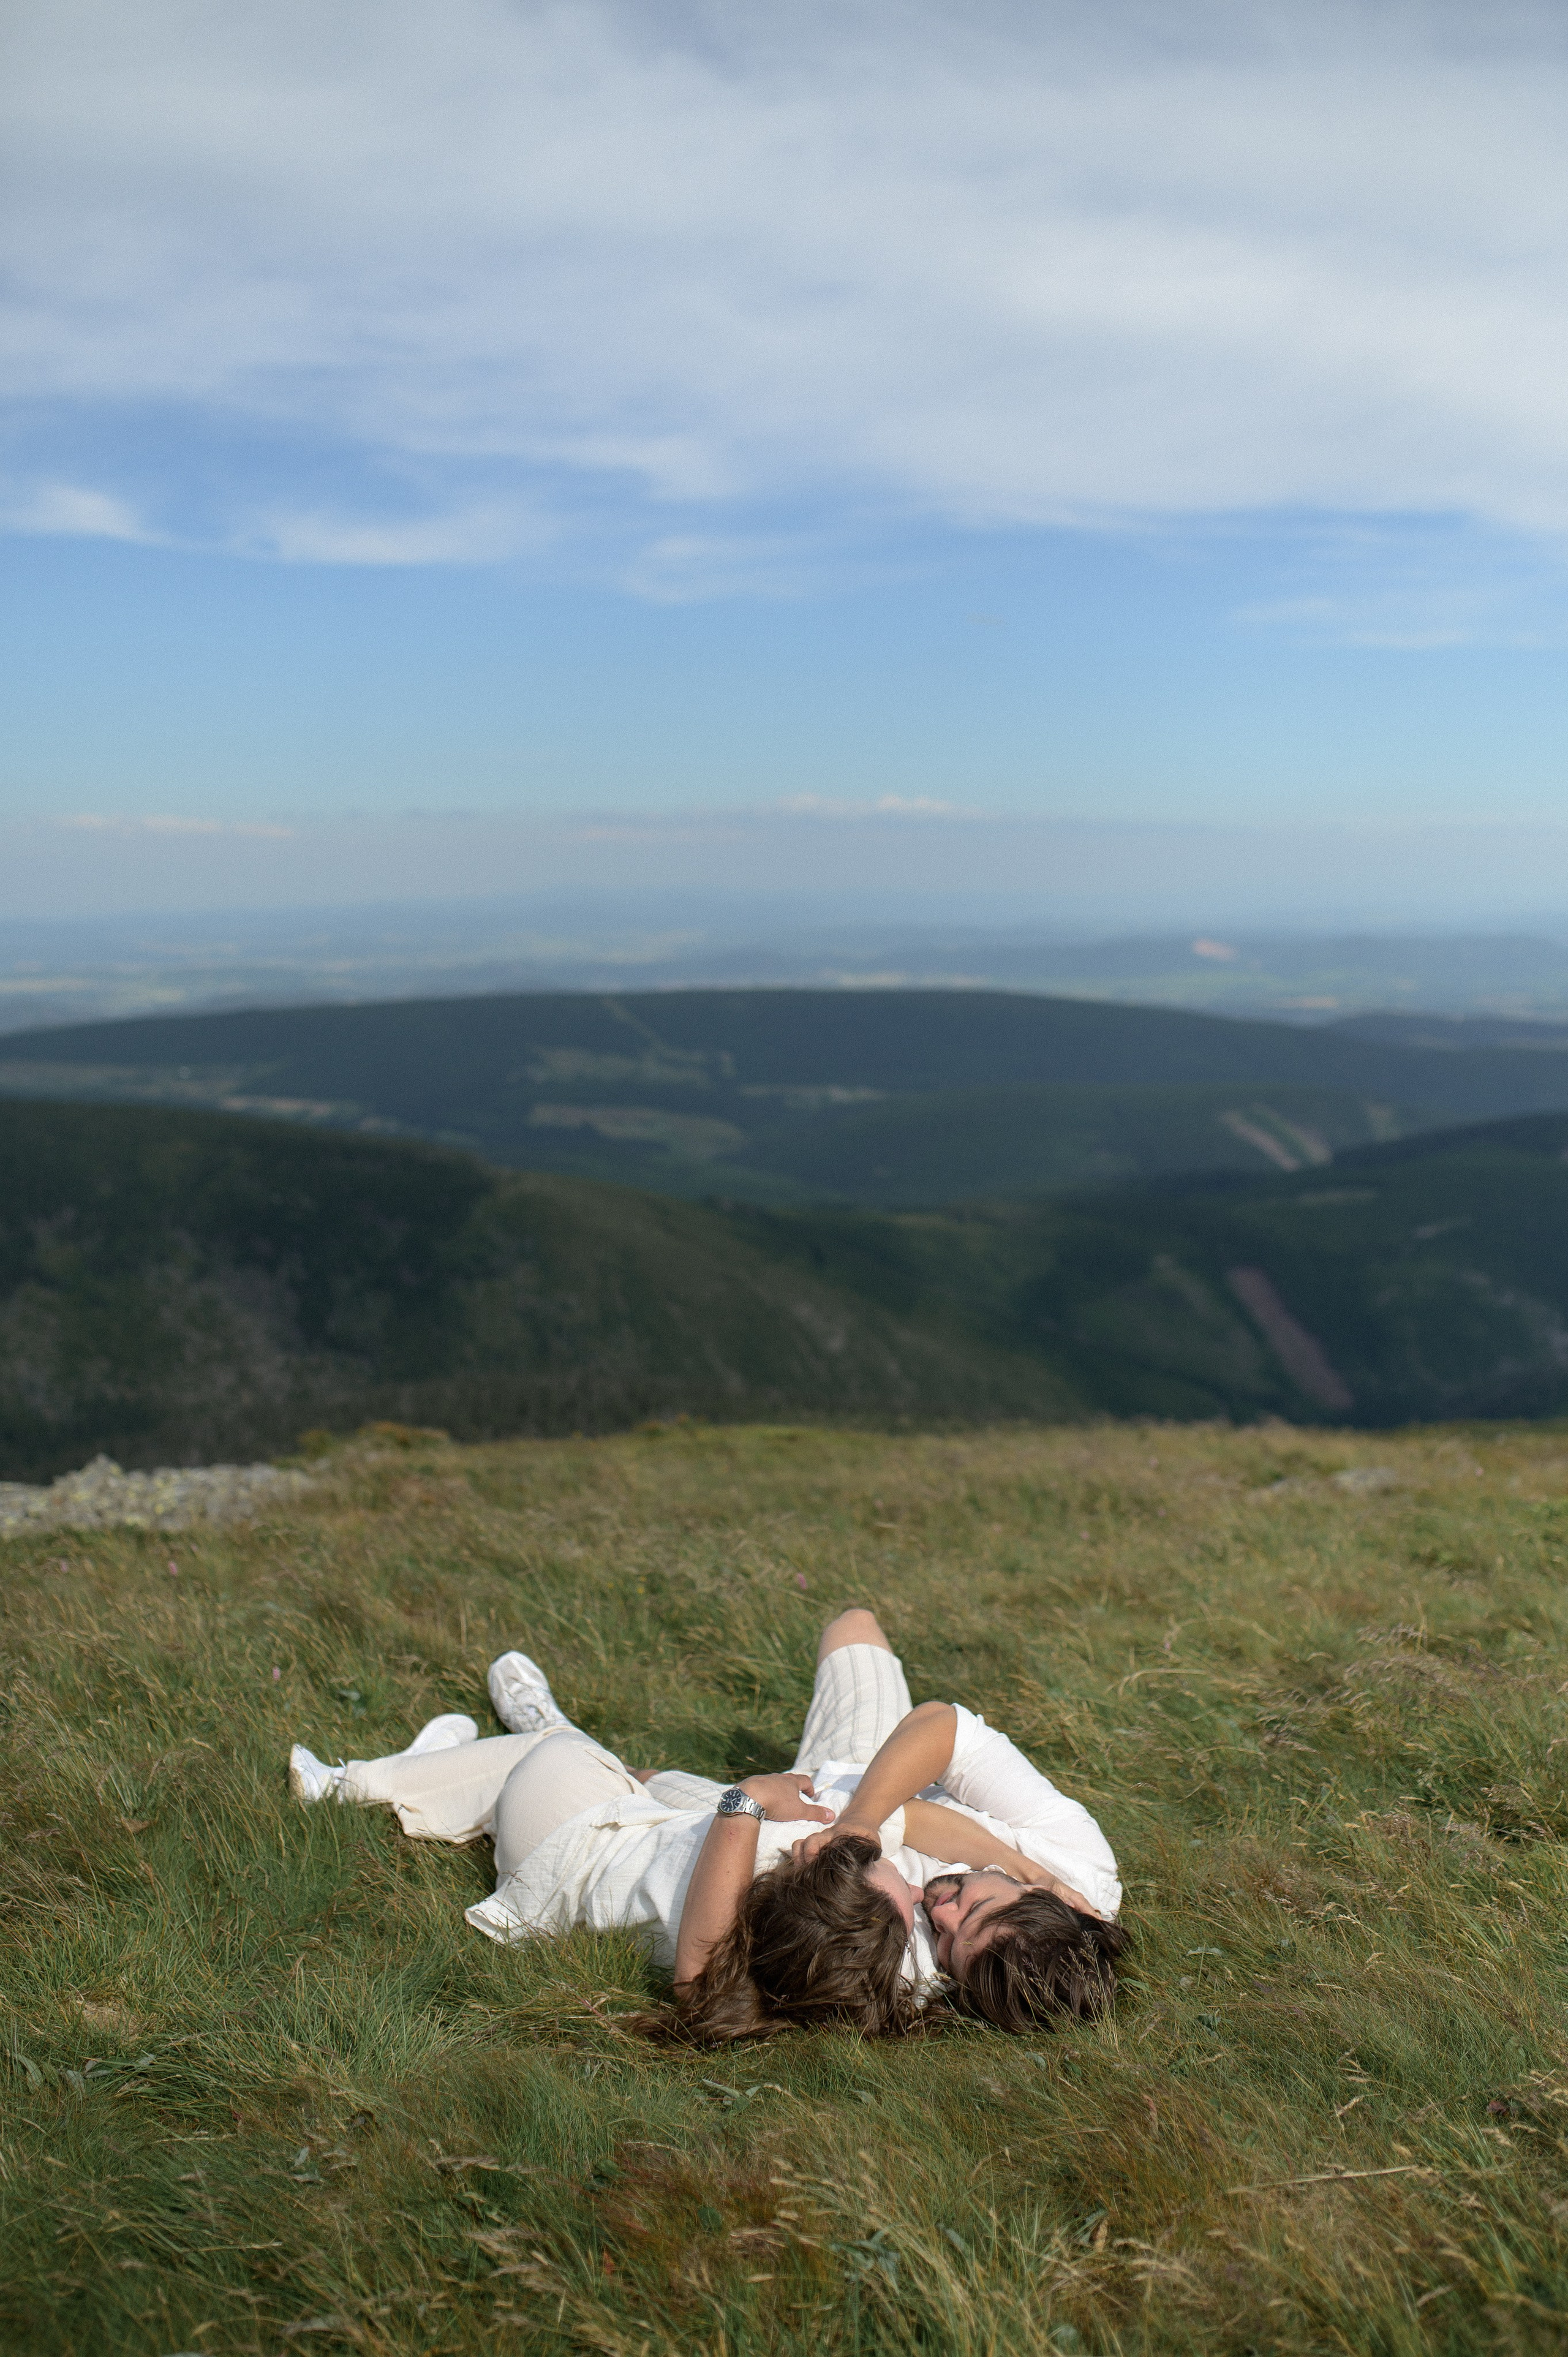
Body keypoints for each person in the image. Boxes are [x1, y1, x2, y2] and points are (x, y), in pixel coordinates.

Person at [286, 1608, 1124, 2039]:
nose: (942, 1910)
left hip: (765, 1820)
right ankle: (534, 1741)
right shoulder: (1078, 1874)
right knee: (851, 1632)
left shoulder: (902, 1959)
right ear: (1055, 1903)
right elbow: (936, 1738)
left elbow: (708, 1977)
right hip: (839, 1787)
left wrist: (765, 1812)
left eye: (947, 1938)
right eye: (971, 1905)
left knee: (585, 1773)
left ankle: (495, 1746)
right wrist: (866, 1823)